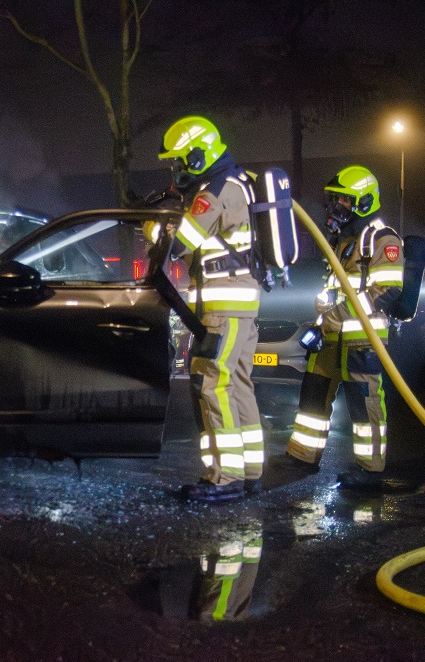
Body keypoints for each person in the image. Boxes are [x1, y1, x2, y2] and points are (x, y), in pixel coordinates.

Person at [150, 116, 263, 502]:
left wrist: (154, 224)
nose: (177, 169)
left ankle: (226, 476)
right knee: (238, 385)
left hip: (223, 308)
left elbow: (178, 244)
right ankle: (249, 472)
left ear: (199, 156)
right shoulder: (236, 182)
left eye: (180, 161)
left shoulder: (213, 192)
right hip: (239, 306)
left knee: (214, 384)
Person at [285, 166, 404, 482]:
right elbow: (334, 289)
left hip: (362, 339)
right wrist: (321, 315)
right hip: (330, 335)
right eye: (335, 199)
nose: (337, 206)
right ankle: (302, 457)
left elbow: (387, 293)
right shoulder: (344, 239)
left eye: (344, 200)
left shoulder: (382, 238)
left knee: (364, 406)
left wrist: (335, 317)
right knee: (313, 394)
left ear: (364, 202)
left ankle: (370, 469)